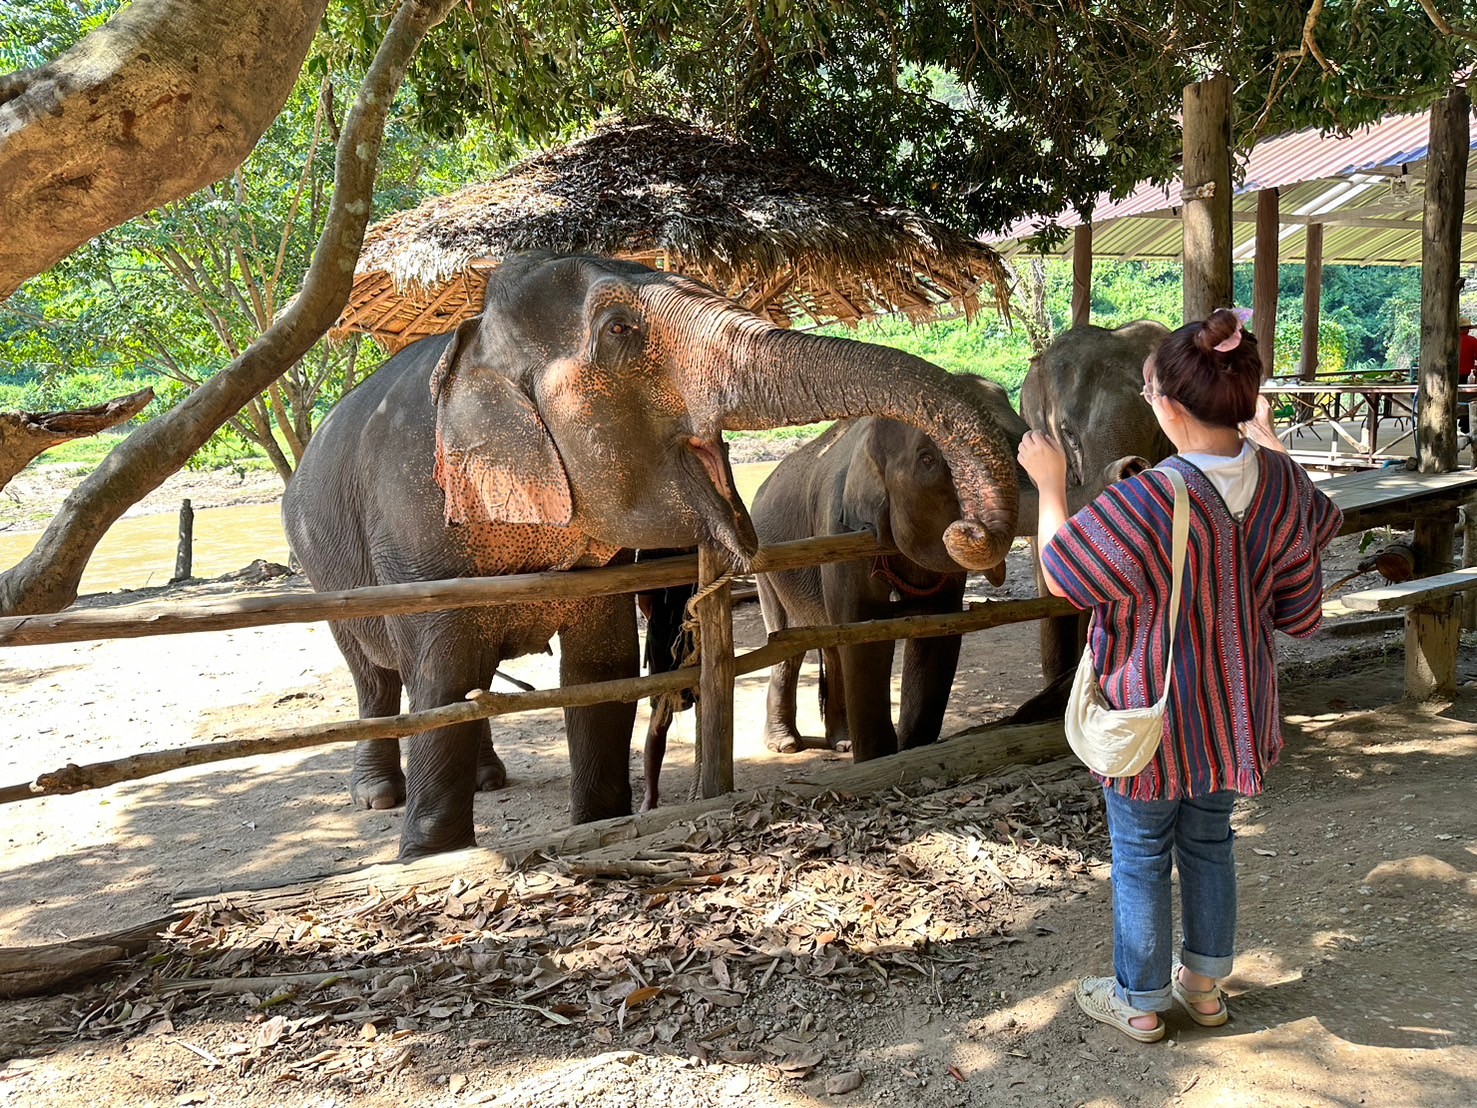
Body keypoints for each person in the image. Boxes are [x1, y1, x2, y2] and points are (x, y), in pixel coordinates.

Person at [1017, 308, 1342, 1042]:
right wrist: (1273, 449)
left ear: (1163, 405)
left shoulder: (1147, 499)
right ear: (1243, 397)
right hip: (1234, 715)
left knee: (1138, 854)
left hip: (1149, 718)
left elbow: (1063, 576)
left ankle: (1136, 1000)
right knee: (1210, 843)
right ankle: (1201, 988)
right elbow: (1297, 610)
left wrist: (1048, 487)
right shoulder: (1285, 487)